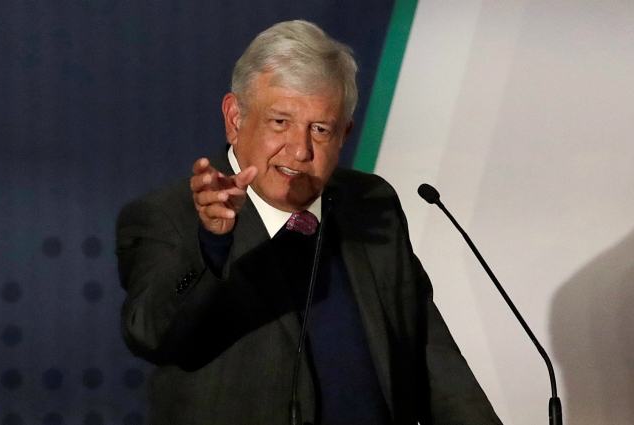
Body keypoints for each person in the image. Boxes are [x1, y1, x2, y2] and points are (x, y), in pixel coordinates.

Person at [116, 20, 502, 425]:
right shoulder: (168, 215)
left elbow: (426, 349)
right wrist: (212, 243)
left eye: (319, 129)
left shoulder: (371, 205)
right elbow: (153, 337)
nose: (300, 150)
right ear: (234, 118)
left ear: (344, 134)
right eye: (280, 122)